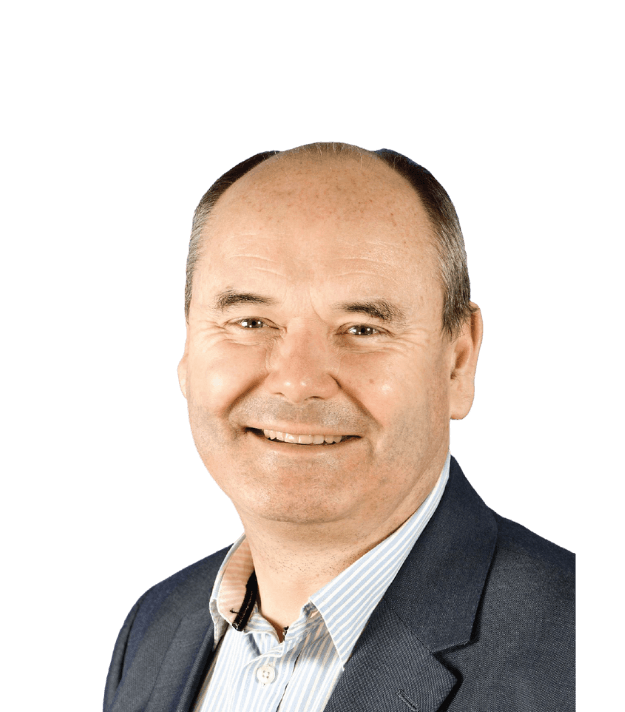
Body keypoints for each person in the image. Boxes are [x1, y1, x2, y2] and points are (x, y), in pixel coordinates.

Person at [103, 142, 575, 712]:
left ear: (458, 363)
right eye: (250, 322)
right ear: (186, 349)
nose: (297, 382)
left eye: (362, 329)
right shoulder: (155, 627)